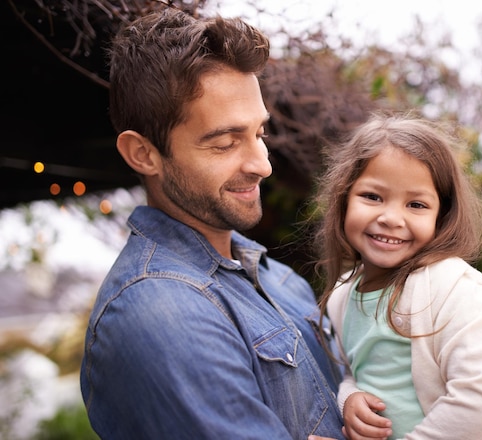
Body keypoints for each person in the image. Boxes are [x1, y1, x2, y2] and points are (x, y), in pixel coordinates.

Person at [79, 8, 345, 440]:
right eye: (225, 142)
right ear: (143, 154)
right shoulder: (158, 312)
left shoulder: (278, 279)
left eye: (260, 133)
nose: (263, 165)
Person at [313, 111, 482, 439]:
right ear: (343, 200)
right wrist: (349, 398)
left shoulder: (456, 288)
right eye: (372, 196)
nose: (391, 218)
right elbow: (354, 372)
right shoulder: (344, 296)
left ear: (442, 217)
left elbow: (480, 398)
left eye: (416, 205)